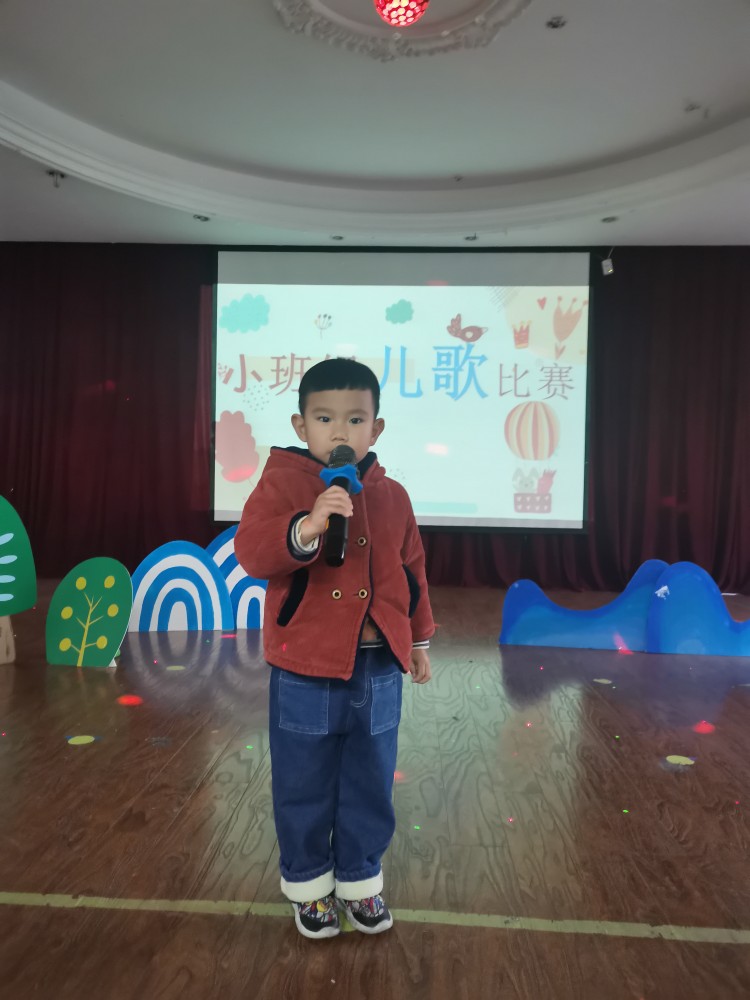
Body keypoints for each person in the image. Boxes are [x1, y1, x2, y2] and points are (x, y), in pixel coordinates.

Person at [235, 357, 434, 940]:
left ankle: (360, 878)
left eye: (355, 419)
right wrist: (306, 526)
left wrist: (417, 638)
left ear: (377, 428)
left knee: (371, 777)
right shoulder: (282, 483)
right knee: (303, 779)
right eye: (324, 419)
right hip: (305, 665)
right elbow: (252, 551)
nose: (340, 431)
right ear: (301, 426)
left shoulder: (393, 495)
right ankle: (308, 883)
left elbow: (412, 571)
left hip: (378, 666)